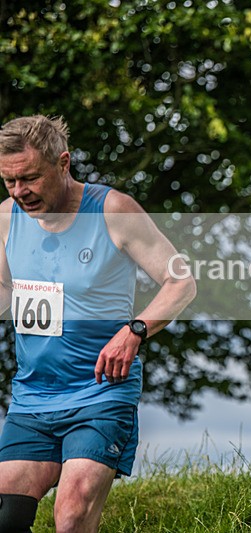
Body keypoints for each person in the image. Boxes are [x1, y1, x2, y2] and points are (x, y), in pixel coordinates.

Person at [0, 115, 196, 532]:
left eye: (30, 178)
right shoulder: (5, 218)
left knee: (71, 516)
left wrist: (135, 331)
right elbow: (3, 288)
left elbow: (181, 282)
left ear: (63, 163)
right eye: (9, 181)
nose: (20, 193)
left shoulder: (112, 210)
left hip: (99, 392)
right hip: (33, 395)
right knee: (6, 516)